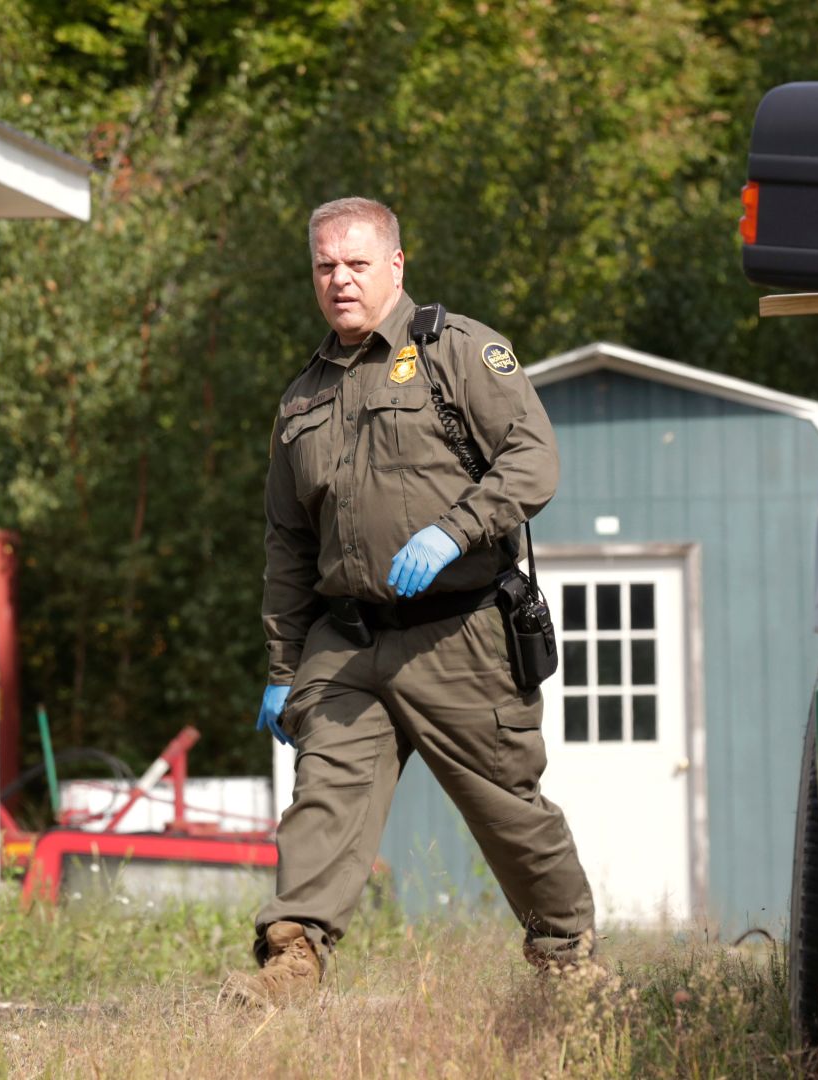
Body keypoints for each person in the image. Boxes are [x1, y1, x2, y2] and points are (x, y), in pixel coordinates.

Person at [239, 196, 595, 1002]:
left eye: (357, 263)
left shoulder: (456, 352)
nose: (340, 280)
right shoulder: (301, 400)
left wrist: (454, 531)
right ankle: (291, 961)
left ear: (395, 266)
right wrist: (284, 667)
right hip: (346, 640)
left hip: (456, 632)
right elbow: (287, 545)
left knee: (508, 809)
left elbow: (532, 460)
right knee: (322, 800)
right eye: (325, 265)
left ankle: (569, 963)